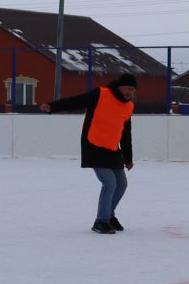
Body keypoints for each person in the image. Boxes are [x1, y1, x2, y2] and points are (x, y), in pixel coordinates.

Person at [47, 74, 137, 234]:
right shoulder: (101, 94)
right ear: (119, 87)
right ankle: (101, 221)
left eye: (133, 89)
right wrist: (52, 107)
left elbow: (126, 133)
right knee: (109, 183)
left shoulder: (129, 106)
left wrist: (128, 158)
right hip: (93, 145)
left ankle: (108, 215)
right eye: (127, 88)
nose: (130, 92)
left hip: (112, 149)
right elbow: (76, 101)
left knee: (121, 184)